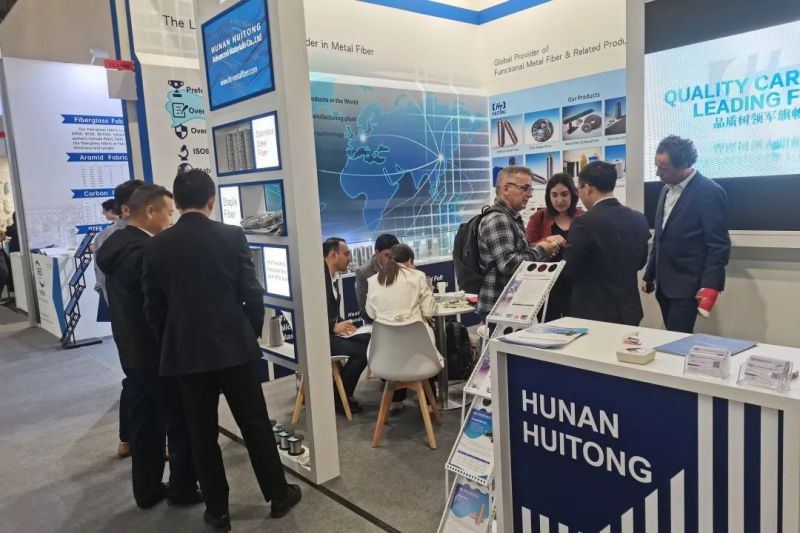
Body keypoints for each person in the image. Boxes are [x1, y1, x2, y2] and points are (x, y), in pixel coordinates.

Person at [142, 170, 300, 530]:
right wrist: (248, 332)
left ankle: (217, 511)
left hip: (187, 355)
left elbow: (153, 308)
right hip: (235, 349)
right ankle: (278, 495)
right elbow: (252, 292)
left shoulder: (156, 246)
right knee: (255, 424)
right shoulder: (231, 236)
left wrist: (172, 341)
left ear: (176, 203)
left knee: (201, 434)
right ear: (211, 201)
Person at [96, 184, 202, 509]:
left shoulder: (114, 245)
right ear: (151, 211)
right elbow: (159, 307)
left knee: (144, 420)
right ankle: (183, 490)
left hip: (131, 349)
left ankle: (147, 490)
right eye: (168, 213)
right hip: (157, 352)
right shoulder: (145, 252)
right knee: (180, 420)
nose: (171, 219)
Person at [643, 135, 731, 333]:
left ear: (683, 165)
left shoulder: (709, 192)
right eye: (656, 166)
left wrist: (710, 286)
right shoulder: (665, 190)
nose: (657, 173)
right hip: (663, 284)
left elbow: (718, 244)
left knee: (677, 341)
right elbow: (660, 236)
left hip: (688, 286)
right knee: (669, 339)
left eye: (663, 169)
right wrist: (650, 273)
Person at [563, 161, 650, 326]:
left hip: (593, 313)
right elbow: (641, 262)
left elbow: (569, 268)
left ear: (588, 188)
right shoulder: (639, 218)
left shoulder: (584, 222)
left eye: (578, 188)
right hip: (629, 310)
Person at [94, 180, 145, 460]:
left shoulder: (105, 239)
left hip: (123, 320)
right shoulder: (138, 239)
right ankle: (146, 441)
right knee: (146, 381)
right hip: (140, 321)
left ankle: (128, 439)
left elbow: (102, 285)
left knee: (134, 379)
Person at [477, 166, 562, 317]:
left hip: (509, 307)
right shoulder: (498, 219)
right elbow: (509, 265)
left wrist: (542, 246)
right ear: (506, 189)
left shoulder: (511, 218)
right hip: (499, 308)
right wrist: (542, 249)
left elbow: (519, 254)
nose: (529, 194)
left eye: (530, 189)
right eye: (525, 188)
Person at [526, 173, 585, 322]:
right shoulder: (538, 217)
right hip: (547, 286)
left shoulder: (583, 217)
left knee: (577, 327)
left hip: (577, 286)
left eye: (564, 194)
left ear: (573, 194)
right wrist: (545, 241)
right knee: (548, 328)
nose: (559, 200)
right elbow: (526, 248)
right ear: (548, 196)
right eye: (554, 195)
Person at [324, 237, 368, 414]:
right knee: (362, 352)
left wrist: (346, 324)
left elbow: (331, 312)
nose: (349, 258)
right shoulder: (318, 278)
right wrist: (332, 326)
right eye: (346, 253)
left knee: (368, 340)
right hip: (320, 338)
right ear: (334, 255)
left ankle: (341, 393)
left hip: (330, 332)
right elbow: (309, 313)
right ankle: (339, 399)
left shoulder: (330, 276)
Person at [354, 233, 399, 324]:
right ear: (377, 253)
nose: (392, 260)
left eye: (394, 256)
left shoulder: (401, 263)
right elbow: (364, 311)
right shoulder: (364, 272)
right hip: (377, 322)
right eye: (387, 255)